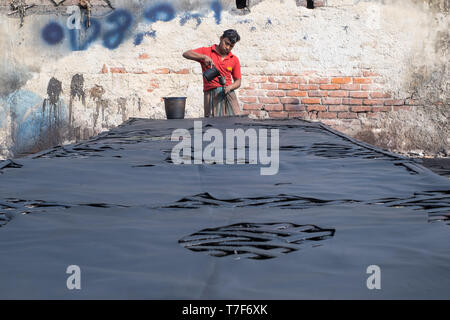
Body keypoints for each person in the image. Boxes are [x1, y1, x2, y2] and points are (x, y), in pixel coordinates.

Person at [182, 29, 242, 117]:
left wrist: (230, 87)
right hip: (210, 94)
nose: (228, 47)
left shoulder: (234, 59)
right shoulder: (207, 51)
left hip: (228, 93)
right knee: (212, 125)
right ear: (221, 38)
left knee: (234, 123)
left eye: (231, 46)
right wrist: (203, 57)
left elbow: (238, 81)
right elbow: (186, 54)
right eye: (226, 43)